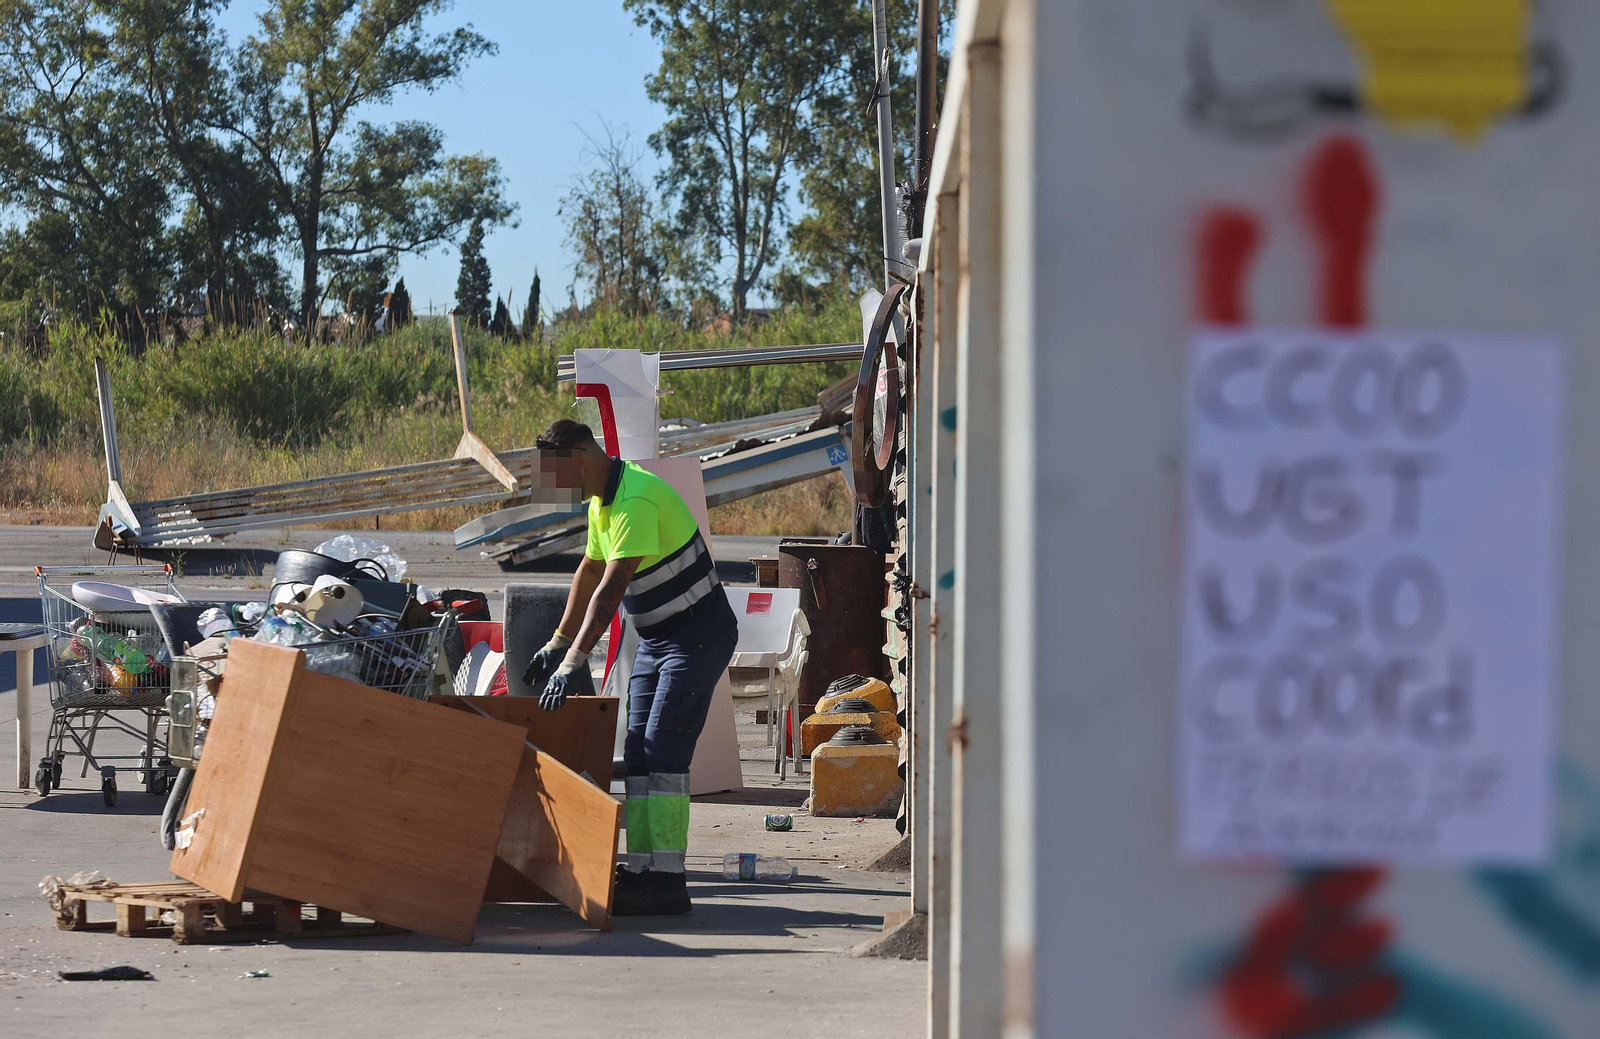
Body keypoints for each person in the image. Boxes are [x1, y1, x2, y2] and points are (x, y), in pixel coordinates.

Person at [522, 419, 739, 916]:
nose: (556, 488)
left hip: (696, 637)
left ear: (580, 458)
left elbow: (610, 591)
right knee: (637, 751)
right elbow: (589, 571)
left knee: (664, 749)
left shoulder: (635, 498)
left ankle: (669, 881)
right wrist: (556, 643)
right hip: (659, 639)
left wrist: (573, 661)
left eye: (557, 475)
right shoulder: (601, 504)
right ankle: (642, 868)